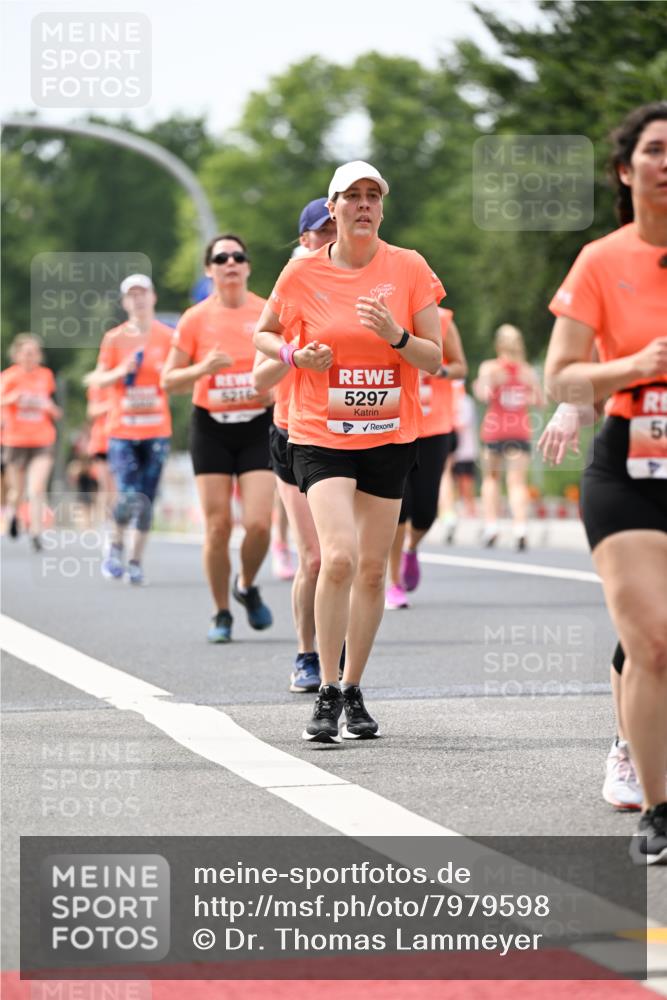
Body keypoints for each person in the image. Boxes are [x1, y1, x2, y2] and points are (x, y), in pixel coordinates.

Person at [254, 160, 444, 743]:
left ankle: (352, 687)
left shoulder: (408, 267)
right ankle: (326, 687)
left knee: (370, 569)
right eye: (351, 197)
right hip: (320, 433)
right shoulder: (301, 272)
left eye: (372, 196)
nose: (363, 205)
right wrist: (295, 357)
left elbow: (434, 358)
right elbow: (263, 333)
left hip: (389, 434)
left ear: (381, 208)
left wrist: (397, 336)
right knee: (335, 558)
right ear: (332, 209)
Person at [544, 102, 667, 864]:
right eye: (656, 150)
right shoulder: (601, 259)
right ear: (628, 170)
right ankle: (658, 808)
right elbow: (561, 373)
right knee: (651, 642)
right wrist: (633, 366)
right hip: (629, 459)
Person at [161, 235, 274, 643]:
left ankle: (245, 584)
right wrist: (202, 369)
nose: (230, 262)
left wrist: (274, 390)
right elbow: (168, 380)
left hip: (258, 424)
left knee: (260, 523)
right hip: (211, 425)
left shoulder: (266, 311)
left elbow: (292, 365)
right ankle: (221, 612)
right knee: (218, 526)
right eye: (221, 257)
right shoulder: (194, 319)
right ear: (209, 269)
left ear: (247, 267)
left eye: (238, 256)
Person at [253, 198, 338, 691]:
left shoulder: (364, 283)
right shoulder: (288, 290)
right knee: (316, 557)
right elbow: (259, 378)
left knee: (347, 557)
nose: (329, 237)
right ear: (303, 239)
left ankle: (337, 654)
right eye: (320, 231)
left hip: (352, 434)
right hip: (295, 432)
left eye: (334, 229)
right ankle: (308, 654)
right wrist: (296, 356)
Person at [84, 274, 172, 585]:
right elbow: (95, 379)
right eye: (131, 295)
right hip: (122, 430)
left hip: (157, 430)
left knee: (147, 498)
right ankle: (115, 546)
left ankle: (135, 560)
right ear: (124, 303)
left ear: (153, 297)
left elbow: (178, 379)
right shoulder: (114, 339)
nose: (138, 299)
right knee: (128, 494)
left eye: (142, 293)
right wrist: (120, 372)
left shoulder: (167, 337)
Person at [385, 307, 467, 609]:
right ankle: (394, 582)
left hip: (435, 429)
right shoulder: (385, 317)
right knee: (399, 509)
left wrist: (437, 369)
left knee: (426, 512)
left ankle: (411, 549)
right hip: (394, 426)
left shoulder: (443, 320)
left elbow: (460, 367)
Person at [474, 324, 543, 550]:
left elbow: (482, 394)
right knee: (517, 482)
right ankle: (520, 527)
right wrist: (522, 395)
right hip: (519, 430)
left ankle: (492, 525)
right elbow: (540, 401)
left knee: (491, 479)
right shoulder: (527, 371)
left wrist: (493, 384)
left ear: (498, 344)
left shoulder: (490, 368)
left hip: (495, 430)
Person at [1, 333, 61, 550]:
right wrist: (12, 398)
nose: (31, 357)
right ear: (17, 355)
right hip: (15, 440)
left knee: (36, 488)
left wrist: (50, 408)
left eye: (35, 353)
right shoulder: (8, 377)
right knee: (16, 491)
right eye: (27, 353)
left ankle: (36, 532)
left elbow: (54, 410)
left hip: (42, 439)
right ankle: (15, 516)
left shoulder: (46, 376)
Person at [440, 383, 479, 543]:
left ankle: (456, 511)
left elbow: (462, 423)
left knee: (460, 480)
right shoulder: (457, 399)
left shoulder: (462, 400)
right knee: (448, 476)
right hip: (456, 443)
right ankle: (449, 511)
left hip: (462, 447)